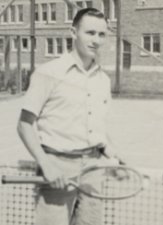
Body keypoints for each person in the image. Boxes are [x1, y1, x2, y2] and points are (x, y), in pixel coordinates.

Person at [17, 7, 117, 225]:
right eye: (90, 33)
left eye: (102, 34)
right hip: (57, 167)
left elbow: (96, 126)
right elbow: (24, 125)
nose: (96, 40)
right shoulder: (48, 73)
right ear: (73, 33)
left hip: (93, 168)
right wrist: (47, 164)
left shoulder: (103, 79)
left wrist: (112, 153)